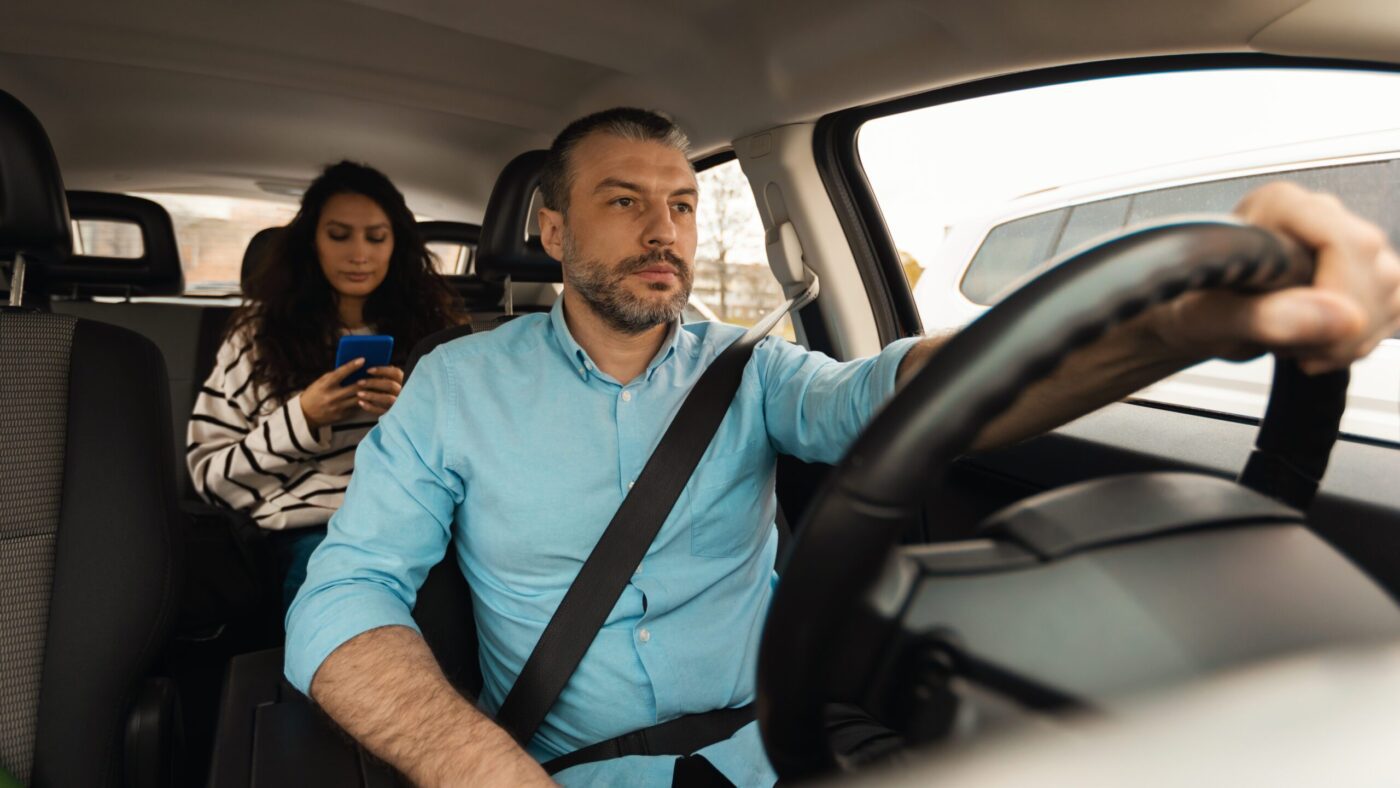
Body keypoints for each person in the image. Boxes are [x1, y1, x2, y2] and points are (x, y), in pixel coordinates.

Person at [284, 109, 1400, 787]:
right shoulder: (454, 386)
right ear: (554, 230)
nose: (664, 229)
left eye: (679, 203)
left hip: (790, 749)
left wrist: (1169, 327)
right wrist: (481, 766)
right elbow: (344, 593)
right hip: (563, 768)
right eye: (623, 203)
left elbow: (901, 392)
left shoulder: (747, 366)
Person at [188, 160, 461, 614]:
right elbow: (210, 476)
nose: (359, 254)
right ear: (312, 241)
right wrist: (303, 419)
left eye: (376, 237)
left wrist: (410, 411)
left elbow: (479, 453)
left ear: (397, 244)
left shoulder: (439, 332)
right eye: (339, 235)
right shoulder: (255, 337)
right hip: (318, 531)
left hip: (431, 520)